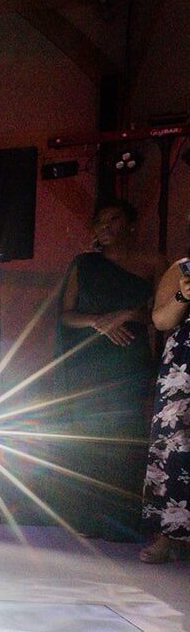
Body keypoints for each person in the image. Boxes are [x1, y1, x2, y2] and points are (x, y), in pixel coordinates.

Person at [54, 200, 164, 541]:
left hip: (128, 359)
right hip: (88, 360)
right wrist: (99, 322)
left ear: (130, 224)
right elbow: (65, 314)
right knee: (87, 437)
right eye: (100, 221)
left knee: (124, 438)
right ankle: (85, 519)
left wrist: (127, 315)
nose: (105, 226)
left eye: (113, 219)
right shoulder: (84, 263)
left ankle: (122, 521)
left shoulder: (154, 262)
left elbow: (163, 315)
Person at [139, 241, 190, 562]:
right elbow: (160, 320)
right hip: (185, 365)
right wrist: (183, 295)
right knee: (175, 444)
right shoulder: (184, 267)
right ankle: (167, 535)